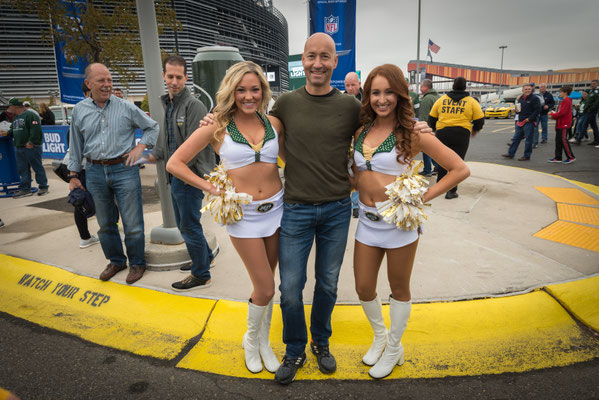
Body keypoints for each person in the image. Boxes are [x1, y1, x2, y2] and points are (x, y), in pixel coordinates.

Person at [268, 33, 433, 385]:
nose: (317, 63)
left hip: (337, 209)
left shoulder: (349, 107)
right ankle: (295, 347)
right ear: (303, 58)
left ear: (334, 62)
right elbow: (265, 135)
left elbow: (376, 137)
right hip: (295, 208)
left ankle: (321, 343)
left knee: (327, 285)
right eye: (311, 56)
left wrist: (418, 127)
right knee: (291, 287)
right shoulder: (285, 102)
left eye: (324, 56)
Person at [167, 61, 284, 374]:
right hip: (242, 217)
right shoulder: (216, 125)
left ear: (263, 90)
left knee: (267, 285)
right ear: (231, 92)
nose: (248, 96)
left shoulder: (274, 123)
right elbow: (175, 163)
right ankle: (250, 339)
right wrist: (211, 188)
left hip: (277, 210)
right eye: (241, 90)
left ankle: (263, 343)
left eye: (254, 89)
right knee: (266, 287)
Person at [353, 64, 469, 379]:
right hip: (367, 221)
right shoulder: (361, 130)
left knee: (398, 287)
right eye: (375, 92)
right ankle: (381, 337)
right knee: (363, 287)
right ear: (368, 96)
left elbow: (459, 169)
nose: (381, 99)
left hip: (400, 225)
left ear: (401, 94)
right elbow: (358, 175)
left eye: (388, 91)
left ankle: (393, 347)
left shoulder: (415, 133)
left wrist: (422, 197)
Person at [67, 63, 159, 285]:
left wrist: (140, 147)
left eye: (109, 80)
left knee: (132, 221)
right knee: (105, 222)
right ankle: (116, 260)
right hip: (95, 171)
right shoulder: (79, 110)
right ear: (88, 84)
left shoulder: (125, 107)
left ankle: (137, 263)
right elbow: (76, 144)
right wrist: (73, 175)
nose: (107, 85)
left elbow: (153, 127)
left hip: (124, 170)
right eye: (101, 81)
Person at [146, 55, 217, 291]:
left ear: (187, 78)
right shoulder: (170, 104)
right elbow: (167, 140)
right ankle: (204, 257)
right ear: (163, 76)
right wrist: (153, 154)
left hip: (188, 176)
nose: (174, 81)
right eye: (170, 76)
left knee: (188, 226)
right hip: (176, 175)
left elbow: (193, 148)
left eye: (179, 77)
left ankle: (201, 274)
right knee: (186, 223)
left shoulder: (193, 106)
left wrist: (179, 170)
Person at [428, 77, 484, 199]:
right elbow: (480, 119)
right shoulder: (471, 101)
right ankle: (451, 191)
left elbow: (431, 118)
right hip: (461, 133)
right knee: (457, 163)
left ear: (453, 86)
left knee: (442, 161)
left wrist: (435, 130)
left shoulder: (442, 100)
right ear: (465, 87)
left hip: (443, 132)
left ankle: (440, 187)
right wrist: (475, 130)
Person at [0, 98, 49, 198]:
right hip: (19, 146)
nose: (9, 109)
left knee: (37, 166)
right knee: (22, 169)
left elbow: (36, 130)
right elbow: (13, 130)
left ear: (15, 106)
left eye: (10, 106)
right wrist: (7, 133)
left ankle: (43, 186)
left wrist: (31, 141)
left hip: (31, 147)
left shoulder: (30, 115)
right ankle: (25, 189)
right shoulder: (16, 117)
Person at [502, 83, 541, 161]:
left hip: (529, 122)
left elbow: (538, 110)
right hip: (520, 121)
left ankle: (526, 156)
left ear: (531, 90)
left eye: (529, 89)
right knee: (516, 139)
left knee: (528, 140)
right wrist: (517, 111)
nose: (527, 91)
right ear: (523, 90)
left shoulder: (535, 98)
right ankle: (510, 154)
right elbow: (519, 108)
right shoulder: (520, 98)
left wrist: (530, 119)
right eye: (526, 89)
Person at [345, 71, 363, 218]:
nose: (350, 88)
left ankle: (356, 205)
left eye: (353, 85)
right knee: (348, 171)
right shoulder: (341, 100)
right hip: (346, 142)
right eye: (347, 85)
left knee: (358, 170)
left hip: (363, 142)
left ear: (359, 84)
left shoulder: (368, 100)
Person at [418, 78, 441, 177]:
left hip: (429, 128)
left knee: (426, 149)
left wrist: (420, 129)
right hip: (439, 127)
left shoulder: (427, 99)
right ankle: (437, 167)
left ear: (425, 87)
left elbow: (423, 116)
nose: (420, 88)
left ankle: (427, 170)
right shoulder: (439, 97)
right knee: (435, 149)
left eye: (421, 86)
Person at [548, 86, 575, 164]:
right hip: (560, 123)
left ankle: (571, 157)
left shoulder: (566, 101)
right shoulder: (564, 101)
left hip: (564, 124)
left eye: (560, 92)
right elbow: (561, 113)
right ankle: (558, 157)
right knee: (558, 141)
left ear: (565, 92)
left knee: (563, 140)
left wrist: (553, 115)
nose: (559, 93)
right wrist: (554, 116)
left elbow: (562, 113)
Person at [584, 79, 599, 145]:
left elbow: (597, 102)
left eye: (594, 84)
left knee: (584, 124)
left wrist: (591, 108)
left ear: (597, 84)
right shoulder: (591, 91)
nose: (592, 85)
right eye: (591, 83)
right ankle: (596, 140)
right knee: (593, 126)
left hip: (593, 110)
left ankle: (578, 138)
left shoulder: (597, 91)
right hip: (590, 110)